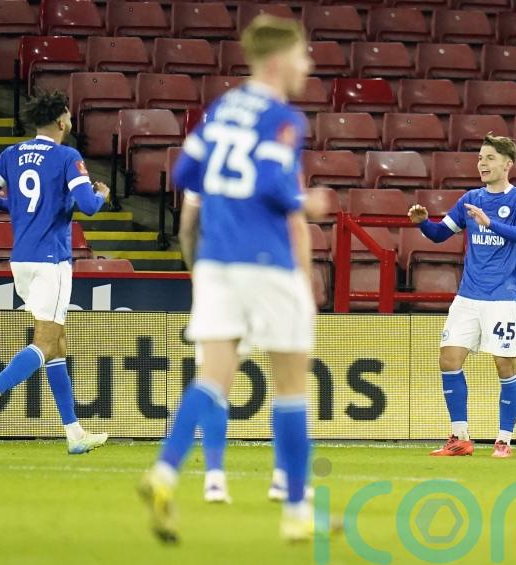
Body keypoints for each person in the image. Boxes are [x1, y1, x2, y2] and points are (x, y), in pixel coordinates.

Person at [137, 15, 329, 543]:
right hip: (265, 259)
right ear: (276, 62)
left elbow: (183, 175)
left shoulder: (221, 109)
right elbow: (272, 183)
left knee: (212, 378)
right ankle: (295, 511)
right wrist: (304, 202)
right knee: (291, 385)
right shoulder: (283, 117)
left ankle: (165, 470)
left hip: (215, 262)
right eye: (301, 55)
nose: (307, 64)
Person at [0, 91, 111, 455]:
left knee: (57, 343)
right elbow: (89, 207)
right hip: (52, 260)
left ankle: (74, 433)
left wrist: (13, 204)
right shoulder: (66, 156)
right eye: (69, 117)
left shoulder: (12, 154)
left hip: (21, 259)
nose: (71, 122)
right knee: (45, 341)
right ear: (61, 121)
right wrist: (102, 194)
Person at [408, 134, 516, 459]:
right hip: (468, 295)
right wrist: (424, 223)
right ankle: (460, 437)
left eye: (490, 158)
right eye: (480, 157)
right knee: (448, 359)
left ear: (507, 164)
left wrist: (490, 222)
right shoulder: (470, 198)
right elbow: (441, 234)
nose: (482, 163)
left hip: (503, 297)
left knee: (505, 365)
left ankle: (504, 440)